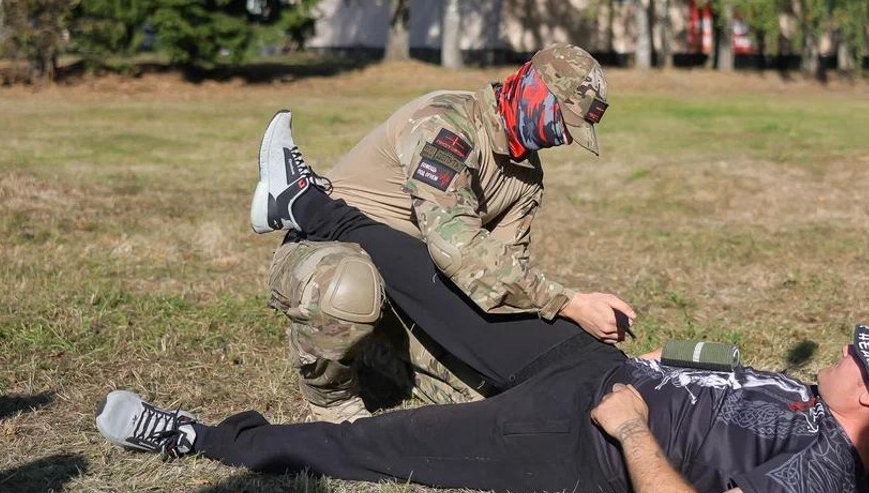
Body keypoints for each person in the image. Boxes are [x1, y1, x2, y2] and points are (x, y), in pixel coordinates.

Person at [97, 322, 869, 493]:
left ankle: (199, 438)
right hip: (596, 368)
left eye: (853, 354)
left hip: (578, 432)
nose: (839, 351)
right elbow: (728, 384)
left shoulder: (823, 472)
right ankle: (311, 208)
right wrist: (671, 358)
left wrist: (630, 430)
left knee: (374, 449)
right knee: (452, 299)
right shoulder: (816, 407)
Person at [250, 43, 637, 420]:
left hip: (412, 290)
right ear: (533, 90)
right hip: (328, 253)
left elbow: (502, 275)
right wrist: (569, 303)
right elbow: (455, 247)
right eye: (562, 123)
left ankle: (372, 350)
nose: (564, 139)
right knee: (350, 288)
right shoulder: (446, 122)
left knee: (488, 389)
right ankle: (333, 401)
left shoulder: (525, 177)